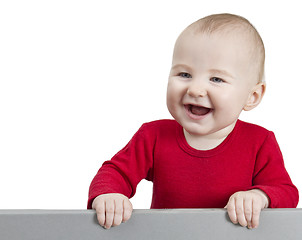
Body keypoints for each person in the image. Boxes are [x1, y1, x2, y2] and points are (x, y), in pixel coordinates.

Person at [88, 13, 299, 230]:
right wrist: (109, 194)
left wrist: (259, 196)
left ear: (251, 96)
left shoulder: (259, 141)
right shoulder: (154, 136)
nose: (195, 89)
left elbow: (286, 193)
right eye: (184, 74)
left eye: (216, 79)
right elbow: (115, 172)